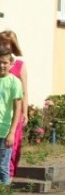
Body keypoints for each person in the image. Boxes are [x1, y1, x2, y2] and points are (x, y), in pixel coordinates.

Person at [0, 31, 27, 178]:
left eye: (7, 43)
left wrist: (25, 112)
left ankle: (8, 180)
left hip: (10, 117)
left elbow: (24, 93)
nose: (4, 45)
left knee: (11, 149)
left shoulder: (19, 66)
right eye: (2, 42)